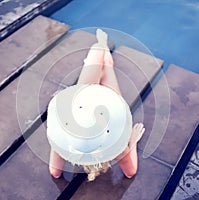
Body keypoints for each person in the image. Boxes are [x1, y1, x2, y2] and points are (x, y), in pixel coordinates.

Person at [47, 29, 145, 181]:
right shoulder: (118, 148)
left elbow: (55, 172)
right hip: (90, 102)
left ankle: (102, 52)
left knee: (97, 55)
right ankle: (104, 55)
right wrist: (132, 141)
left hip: (85, 103)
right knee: (101, 58)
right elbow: (130, 172)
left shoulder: (66, 143)